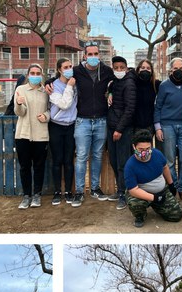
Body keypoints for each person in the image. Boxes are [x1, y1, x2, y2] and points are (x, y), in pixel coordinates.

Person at [69, 41, 114, 207]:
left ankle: (95, 188)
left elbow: (123, 77)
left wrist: (110, 92)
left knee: (97, 155)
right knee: (81, 156)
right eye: (90, 54)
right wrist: (48, 83)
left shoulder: (107, 71)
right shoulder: (76, 71)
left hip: (102, 120)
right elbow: (58, 76)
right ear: (84, 56)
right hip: (82, 121)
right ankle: (80, 191)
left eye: (96, 54)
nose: (93, 57)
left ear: (99, 56)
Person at [124, 129, 182, 228]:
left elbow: (165, 167)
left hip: (161, 191)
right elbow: (133, 190)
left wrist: (171, 184)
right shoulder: (130, 166)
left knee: (177, 215)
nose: (145, 152)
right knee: (135, 204)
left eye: (148, 148)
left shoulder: (157, 154)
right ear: (134, 147)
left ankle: (157, 206)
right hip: (141, 193)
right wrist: (154, 198)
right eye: (141, 149)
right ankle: (140, 215)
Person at [154, 58, 182, 203]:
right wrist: (158, 127)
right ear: (170, 70)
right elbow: (157, 107)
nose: (178, 71)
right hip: (167, 125)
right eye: (175, 68)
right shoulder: (164, 86)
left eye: (181, 68)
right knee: (169, 160)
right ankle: (173, 188)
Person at [14, 63, 50, 209]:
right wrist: (18, 103)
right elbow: (20, 113)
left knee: (39, 166)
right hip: (23, 134)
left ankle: (37, 195)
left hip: (41, 135)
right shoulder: (20, 89)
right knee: (24, 166)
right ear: (28, 75)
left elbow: (51, 110)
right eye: (32, 73)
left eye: (38, 73)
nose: (35, 76)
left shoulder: (46, 91)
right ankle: (26, 195)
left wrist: (46, 116)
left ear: (41, 75)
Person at [106, 56, 137, 210]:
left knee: (123, 163)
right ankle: (120, 191)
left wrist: (119, 129)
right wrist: (109, 92)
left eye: (121, 68)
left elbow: (130, 109)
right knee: (113, 160)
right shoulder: (114, 82)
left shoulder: (129, 83)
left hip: (122, 130)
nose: (119, 70)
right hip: (111, 127)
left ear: (126, 68)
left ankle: (123, 194)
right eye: (116, 68)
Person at [49, 58, 77, 206]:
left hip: (71, 125)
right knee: (57, 160)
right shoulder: (53, 86)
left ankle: (68, 192)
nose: (69, 69)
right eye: (65, 67)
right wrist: (69, 87)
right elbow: (64, 104)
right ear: (59, 69)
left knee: (68, 160)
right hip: (56, 126)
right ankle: (57, 191)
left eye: (71, 66)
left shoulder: (75, 83)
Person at [132, 59, 161, 136]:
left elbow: (170, 84)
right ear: (138, 70)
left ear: (151, 71)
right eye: (143, 67)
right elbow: (116, 84)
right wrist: (110, 93)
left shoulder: (156, 84)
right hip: (134, 124)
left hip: (149, 125)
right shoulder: (132, 83)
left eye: (148, 68)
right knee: (134, 147)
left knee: (148, 148)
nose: (145, 70)